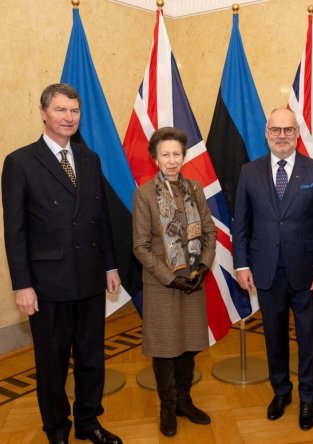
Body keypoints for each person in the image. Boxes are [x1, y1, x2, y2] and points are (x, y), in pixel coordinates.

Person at [1, 84, 122, 444]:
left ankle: (89, 422)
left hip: (89, 276)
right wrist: (22, 284)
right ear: (43, 113)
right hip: (47, 284)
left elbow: (101, 218)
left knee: (91, 357)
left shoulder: (89, 158)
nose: (69, 117)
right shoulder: (20, 162)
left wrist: (111, 266)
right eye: (60, 110)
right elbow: (15, 230)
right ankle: (56, 430)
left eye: (74, 111)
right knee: (52, 364)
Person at [232, 108, 313, 430]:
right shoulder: (249, 171)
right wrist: (241, 264)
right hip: (265, 271)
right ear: (267, 133)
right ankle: (281, 391)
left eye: (288, 130)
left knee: (308, 338)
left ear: (297, 133)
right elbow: (241, 223)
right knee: (274, 337)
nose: (281, 136)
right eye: (276, 130)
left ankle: (308, 396)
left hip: (308, 273)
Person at [132, 127, 216, 437]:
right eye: (165, 154)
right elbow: (140, 247)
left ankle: (184, 401)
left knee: (189, 345)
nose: (171, 160)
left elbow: (209, 232)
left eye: (176, 154)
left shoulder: (195, 189)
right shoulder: (144, 195)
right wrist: (170, 279)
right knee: (165, 348)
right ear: (155, 159)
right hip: (162, 285)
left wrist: (203, 266)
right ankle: (167, 407)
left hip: (193, 281)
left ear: (184, 156)